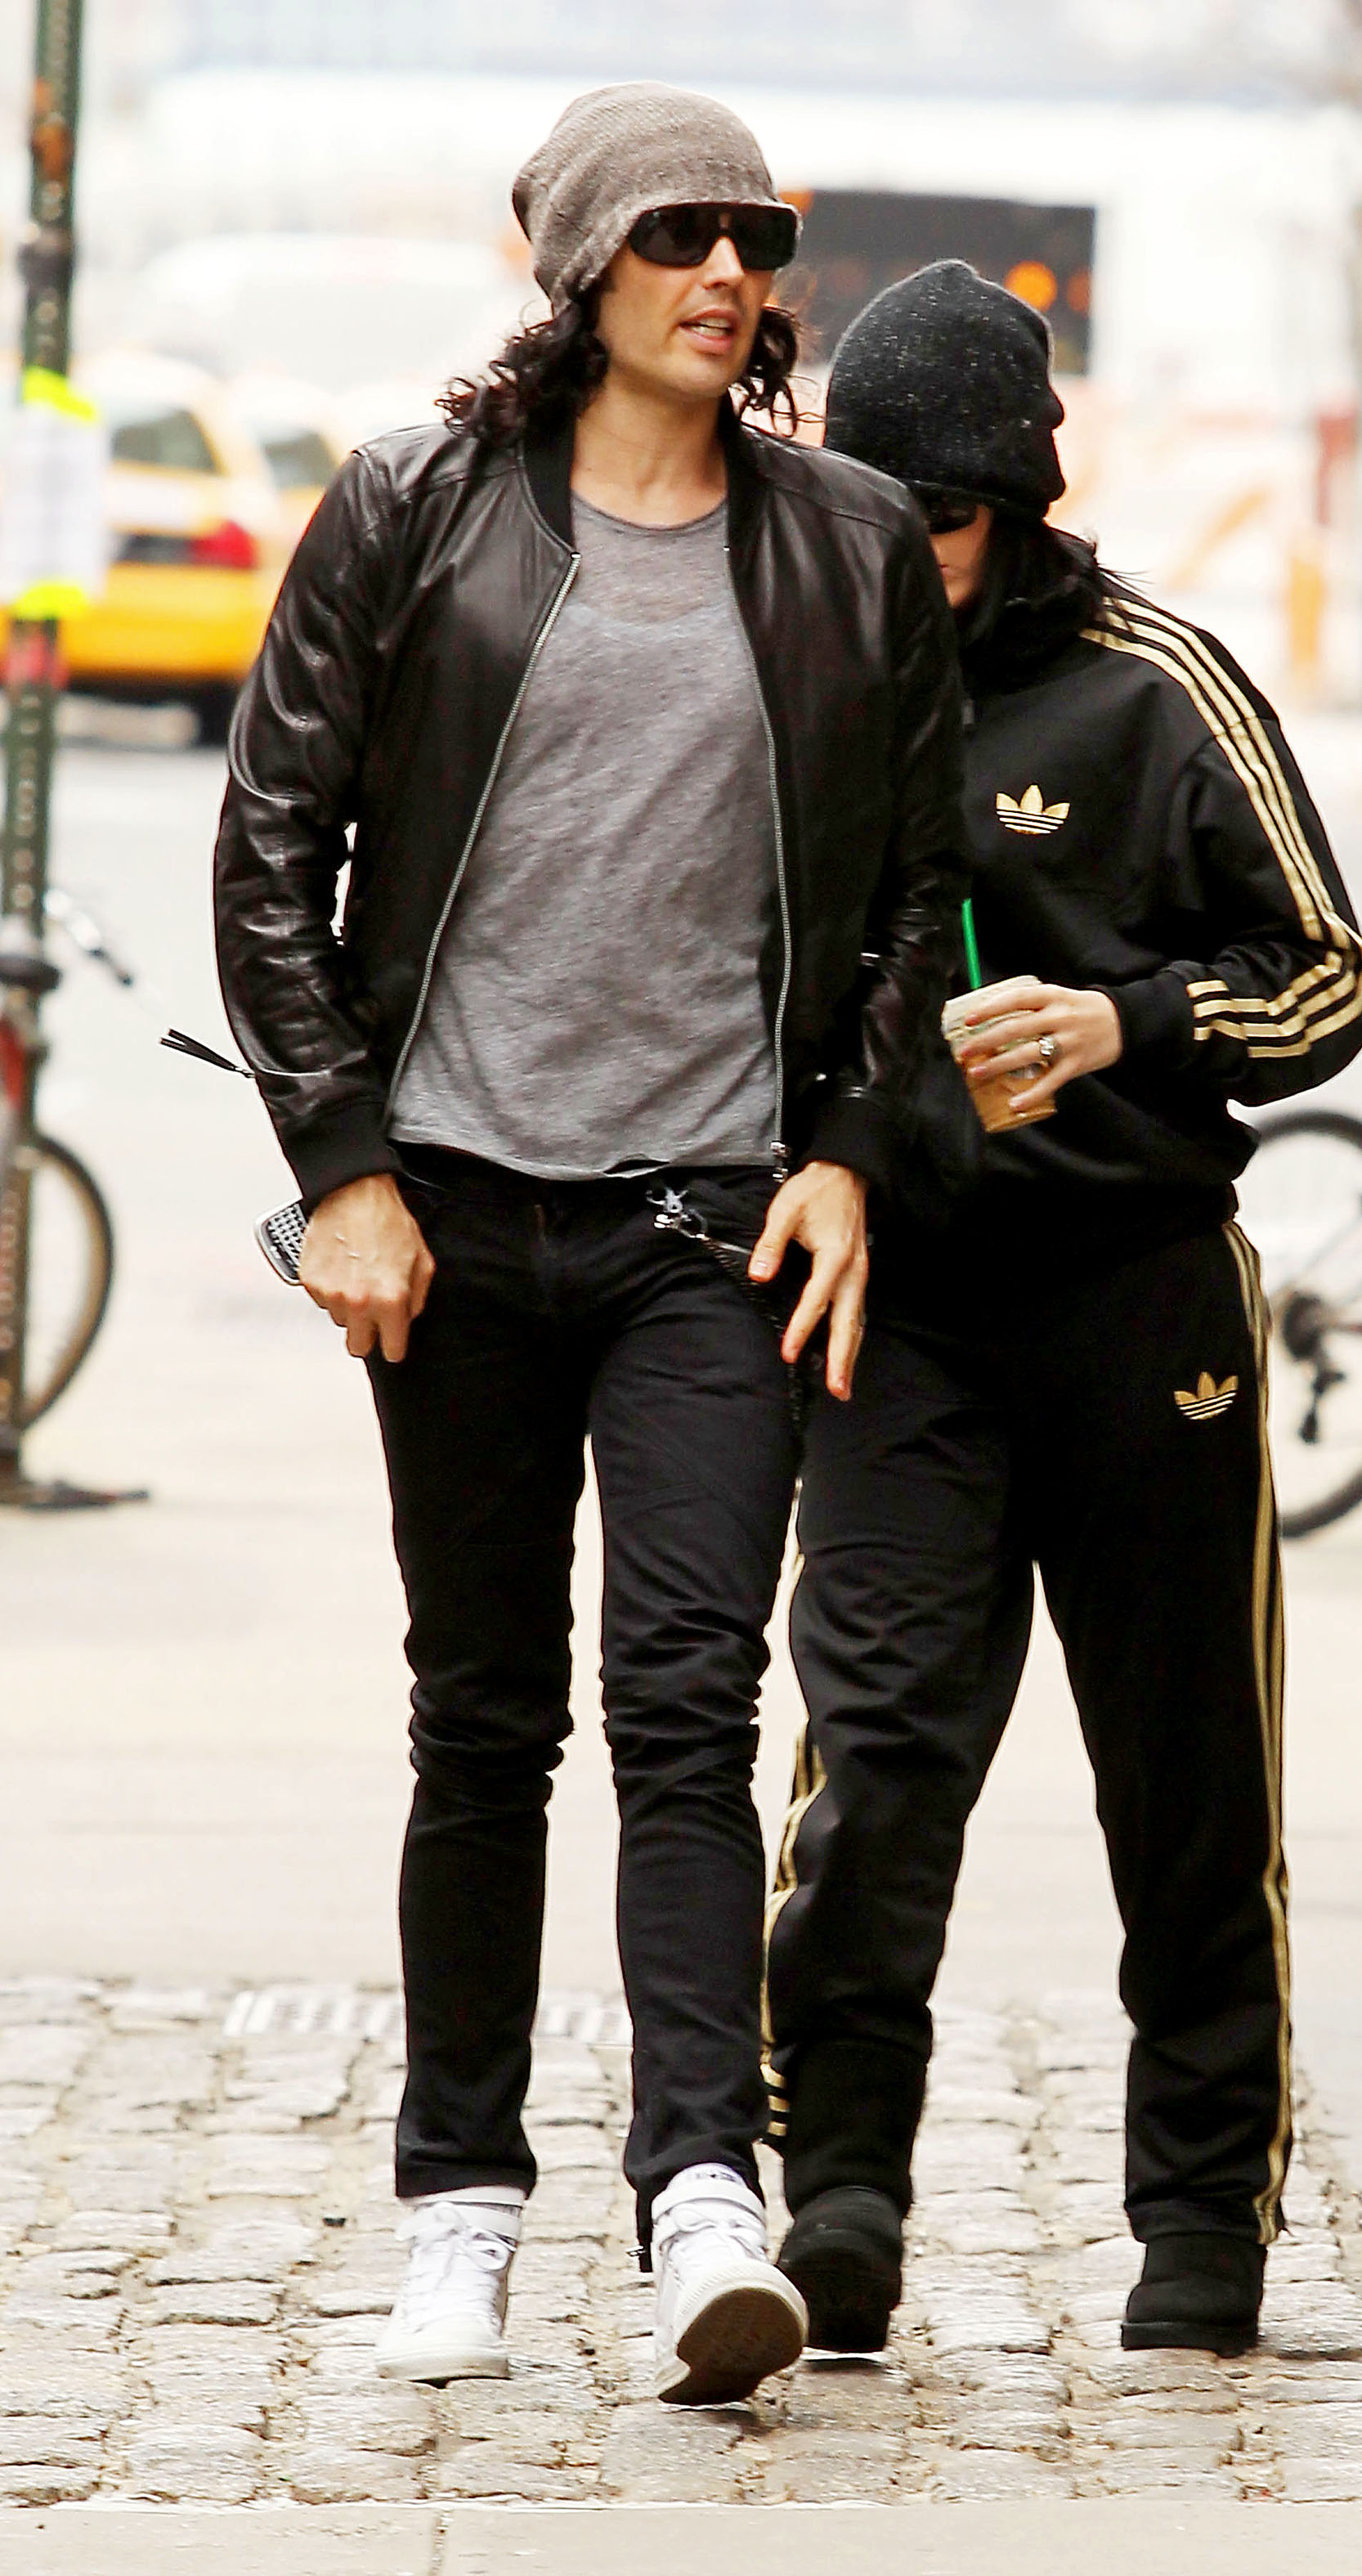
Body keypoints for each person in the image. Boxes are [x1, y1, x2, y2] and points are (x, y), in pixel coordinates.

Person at [212, 89, 965, 2406]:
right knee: (480, 1717)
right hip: (447, 1217)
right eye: (674, 235)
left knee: (687, 1706)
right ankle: (458, 2204)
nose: (724, 273)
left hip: (704, 1225)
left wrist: (850, 1149)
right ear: (575, 269)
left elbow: (912, 891)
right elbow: (271, 854)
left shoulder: (843, 541)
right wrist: (344, 1165)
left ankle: (701, 2193)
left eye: (752, 237)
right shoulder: (411, 505)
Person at [763, 262, 1362, 2363]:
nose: (901, 549)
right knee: (871, 1772)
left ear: (1019, 504)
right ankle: (839, 2202)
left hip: (1143, 1304)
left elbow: (1334, 978)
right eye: (869, 508)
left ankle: (1201, 2228)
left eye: (937, 516)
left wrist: (1126, 1023)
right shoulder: (803, 674)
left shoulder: (1158, 685)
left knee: (1190, 1789)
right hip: (902, 1315)